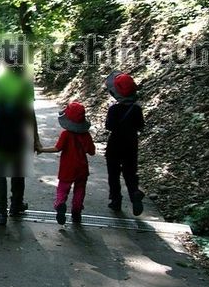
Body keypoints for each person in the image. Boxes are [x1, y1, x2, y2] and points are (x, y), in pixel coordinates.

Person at [0, 48, 42, 226]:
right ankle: (16, 204)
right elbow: (30, 113)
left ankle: (1, 213)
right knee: (18, 170)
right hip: (19, 132)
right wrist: (35, 138)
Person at [39, 102, 96, 225]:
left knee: (62, 189)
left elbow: (57, 148)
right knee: (80, 190)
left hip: (67, 168)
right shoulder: (86, 135)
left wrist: (42, 149)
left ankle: (60, 204)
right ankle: (76, 212)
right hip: (82, 168)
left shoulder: (65, 134)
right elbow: (92, 152)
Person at [105, 71, 145, 215]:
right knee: (130, 172)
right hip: (131, 144)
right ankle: (134, 192)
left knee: (113, 173)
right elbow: (140, 125)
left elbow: (109, 126)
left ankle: (116, 200)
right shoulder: (136, 109)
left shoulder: (114, 109)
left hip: (115, 144)